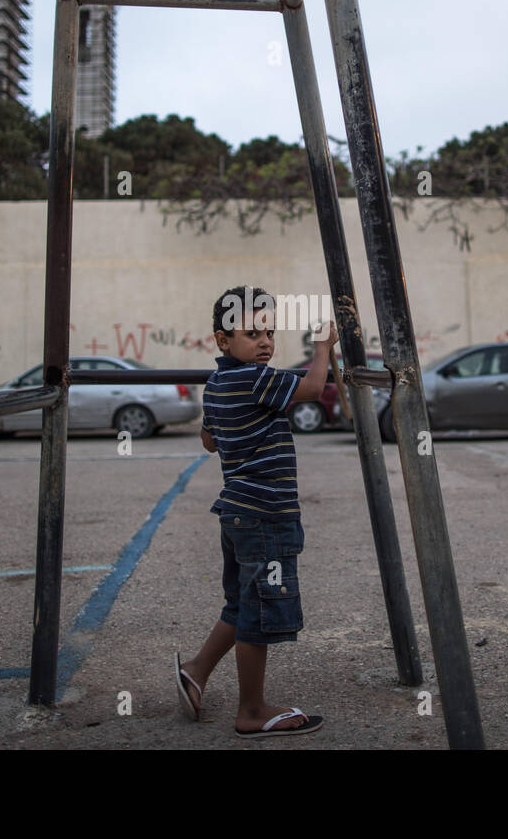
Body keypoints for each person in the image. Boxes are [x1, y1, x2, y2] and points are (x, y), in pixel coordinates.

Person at [175, 284, 337, 738]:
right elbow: (312, 386)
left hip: (237, 514)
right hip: (265, 513)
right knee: (261, 613)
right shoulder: (255, 378)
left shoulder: (218, 383)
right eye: (252, 333)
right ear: (222, 340)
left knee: (241, 603)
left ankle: (196, 670)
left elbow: (209, 440)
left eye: (269, 332)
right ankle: (252, 710)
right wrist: (322, 348)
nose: (265, 342)